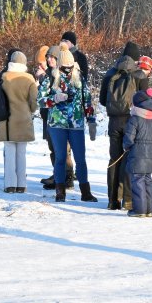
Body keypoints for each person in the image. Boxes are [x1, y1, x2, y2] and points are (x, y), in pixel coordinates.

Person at [37, 46, 98, 203]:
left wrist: (91, 120)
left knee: (80, 158)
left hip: (76, 124)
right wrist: (55, 99)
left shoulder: (79, 77)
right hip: (57, 124)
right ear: (59, 66)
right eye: (65, 68)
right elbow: (40, 101)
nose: (68, 71)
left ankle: (86, 192)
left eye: (70, 67)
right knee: (61, 158)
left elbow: (87, 100)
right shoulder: (51, 77)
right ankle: (60, 191)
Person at [100, 41, 149, 210]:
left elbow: (101, 100)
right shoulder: (140, 75)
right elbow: (145, 101)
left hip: (114, 121)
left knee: (114, 159)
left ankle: (112, 200)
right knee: (129, 159)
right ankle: (128, 199)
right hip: (132, 121)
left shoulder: (110, 73)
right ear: (136, 59)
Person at [0, 50, 38, 193]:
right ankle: (22, 184)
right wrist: (30, 110)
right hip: (23, 120)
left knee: (9, 154)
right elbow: (34, 103)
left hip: (7, 121)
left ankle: (10, 184)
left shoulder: (4, 77)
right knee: (22, 154)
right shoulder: (29, 79)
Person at [38, 45, 75, 190]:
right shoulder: (48, 75)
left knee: (64, 150)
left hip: (62, 118)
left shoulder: (66, 75)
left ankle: (68, 178)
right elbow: (41, 98)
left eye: (52, 57)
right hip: (49, 117)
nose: (49, 59)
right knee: (53, 149)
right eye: (47, 57)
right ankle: (58, 176)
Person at [123, 89, 152, 217]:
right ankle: (149, 210)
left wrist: (127, 147)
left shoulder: (135, 119)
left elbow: (128, 138)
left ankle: (139, 210)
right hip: (150, 153)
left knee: (138, 181)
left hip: (137, 153)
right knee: (147, 180)